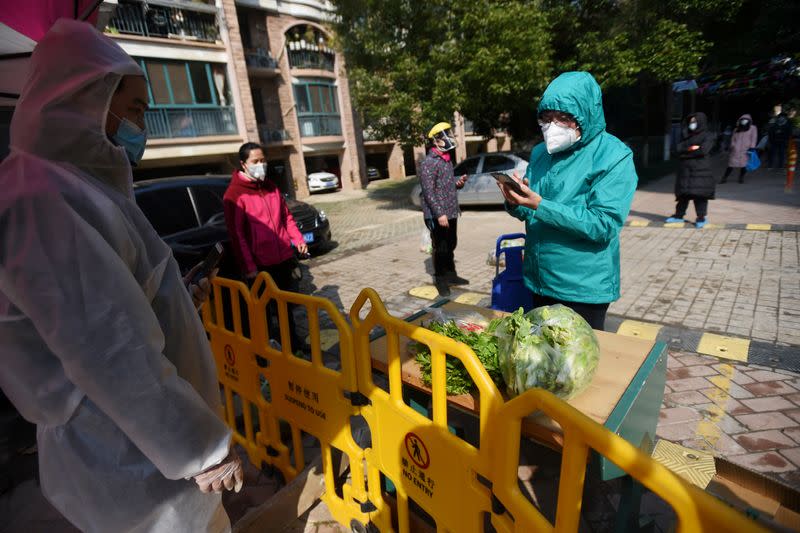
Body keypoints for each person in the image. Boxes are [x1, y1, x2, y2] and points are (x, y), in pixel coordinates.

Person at [0, 20, 242, 533]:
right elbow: (109, 349)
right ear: (85, 99)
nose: (142, 126)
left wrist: (179, 304)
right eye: (132, 109)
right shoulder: (41, 198)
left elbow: (117, 307)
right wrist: (201, 449)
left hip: (144, 456)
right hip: (129, 464)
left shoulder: (75, 187)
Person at [496, 72, 637, 330]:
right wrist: (517, 202)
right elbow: (532, 211)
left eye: (563, 118)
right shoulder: (541, 153)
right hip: (539, 277)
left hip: (582, 287)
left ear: (585, 115)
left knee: (576, 363)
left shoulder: (613, 155)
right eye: (547, 118)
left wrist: (541, 204)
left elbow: (603, 225)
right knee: (540, 358)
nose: (553, 126)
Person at [223, 142, 308, 350]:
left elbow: (286, 217)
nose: (261, 165)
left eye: (263, 160)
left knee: (285, 306)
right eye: (255, 161)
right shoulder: (234, 195)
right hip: (259, 267)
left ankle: (293, 344)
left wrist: (297, 239)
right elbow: (238, 236)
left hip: (283, 259)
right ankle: (267, 352)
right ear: (244, 164)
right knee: (263, 313)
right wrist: (249, 267)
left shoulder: (271, 187)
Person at [418, 122, 468, 297]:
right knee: (441, 248)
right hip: (437, 214)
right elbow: (428, 192)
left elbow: (444, 186)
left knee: (451, 244)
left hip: (451, 211)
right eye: (445, 135)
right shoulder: (428, 163)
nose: (449, 138)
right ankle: (441, 281)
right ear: (436, 141)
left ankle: (451, 275)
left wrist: (458, 184)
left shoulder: (446, 159)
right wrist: (439, 214)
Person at [666, 112, 715, 228]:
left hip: (701, 171)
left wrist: (686, 151)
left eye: (695, 121)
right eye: (691, 122)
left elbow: (703, 150)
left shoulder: (707, 135)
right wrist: (691, 149)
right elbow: (678, 149)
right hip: (685, 171)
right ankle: (678, 216)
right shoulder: (685, 134)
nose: (692, 124)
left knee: (700, 196)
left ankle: (701, 218)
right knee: (683, 195)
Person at [721, 114, 758, 184]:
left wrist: (752, 147)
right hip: (736, 149)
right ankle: (724, 178)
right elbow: (733, 139)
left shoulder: (753, 128)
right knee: (731, 165)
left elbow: (754, 138)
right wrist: (733, 145)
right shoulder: (737, 129)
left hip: (746, 149)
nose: (744, 121)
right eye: (743, 120)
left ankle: (741, 178)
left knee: (744, 165)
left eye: (746, 120)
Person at [767, 104, 792, 170]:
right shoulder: (775, 124)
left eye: (783, 117)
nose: (781, 118)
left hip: (783, 141)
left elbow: (789, 133)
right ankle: (770, 166)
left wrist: (784, 136)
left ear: (785, 118)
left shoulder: (787, 124)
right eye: (780, 117)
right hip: (774, 141)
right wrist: (771, 139)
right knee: (772, 153)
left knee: (781, 154)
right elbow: (770, 132)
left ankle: (780, 166)